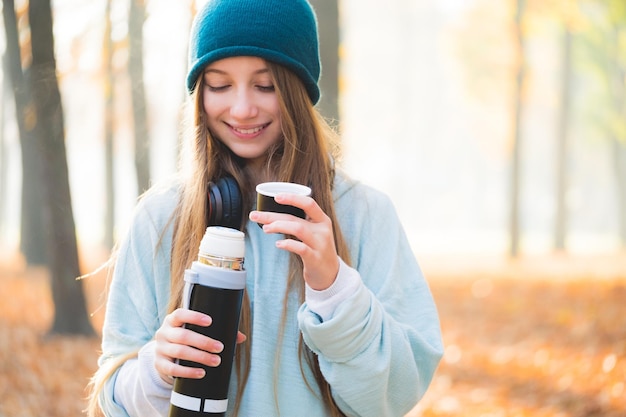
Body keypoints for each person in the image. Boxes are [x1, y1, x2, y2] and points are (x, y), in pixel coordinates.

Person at [87, 0, 444, 416]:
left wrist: (335, 291)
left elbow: (395, 396)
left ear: (297, 89)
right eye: (219, 85)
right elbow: (111, 400)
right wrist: (155, 370)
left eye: (265, 85)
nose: (241, 109)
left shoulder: (365, 214)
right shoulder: (159, 217)